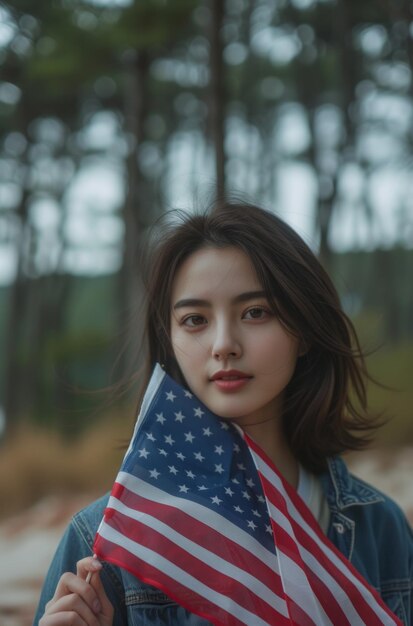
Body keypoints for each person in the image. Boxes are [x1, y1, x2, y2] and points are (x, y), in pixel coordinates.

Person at [34, 201, 412, 626]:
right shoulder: (106, 544)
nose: (223, 344)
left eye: (255, 312)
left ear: (304, 330)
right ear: (170, 339)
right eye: (195, 319)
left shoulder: (379, 526)